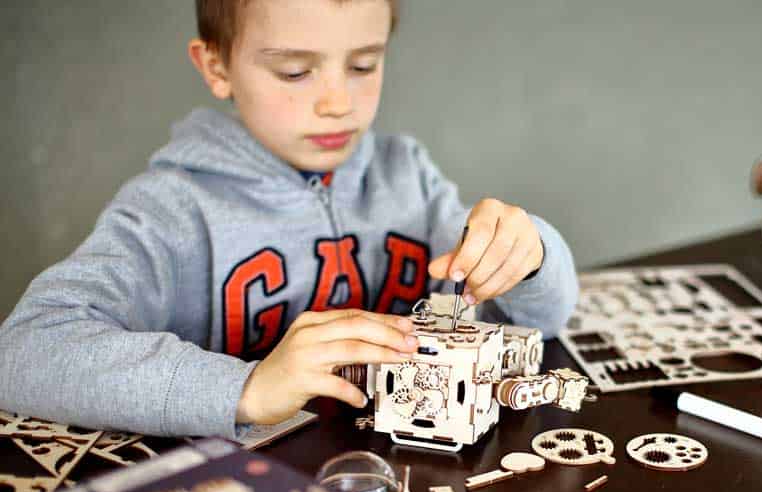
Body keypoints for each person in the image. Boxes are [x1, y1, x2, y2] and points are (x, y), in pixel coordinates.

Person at [0, 0, 578, 438]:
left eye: (364, 64)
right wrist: (244, 388)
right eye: (295, 71)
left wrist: (531, 258)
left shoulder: (407, 175)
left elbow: (540, 319)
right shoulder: (171, 208)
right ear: (217, 66)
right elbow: (23, 351)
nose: (337, 103)